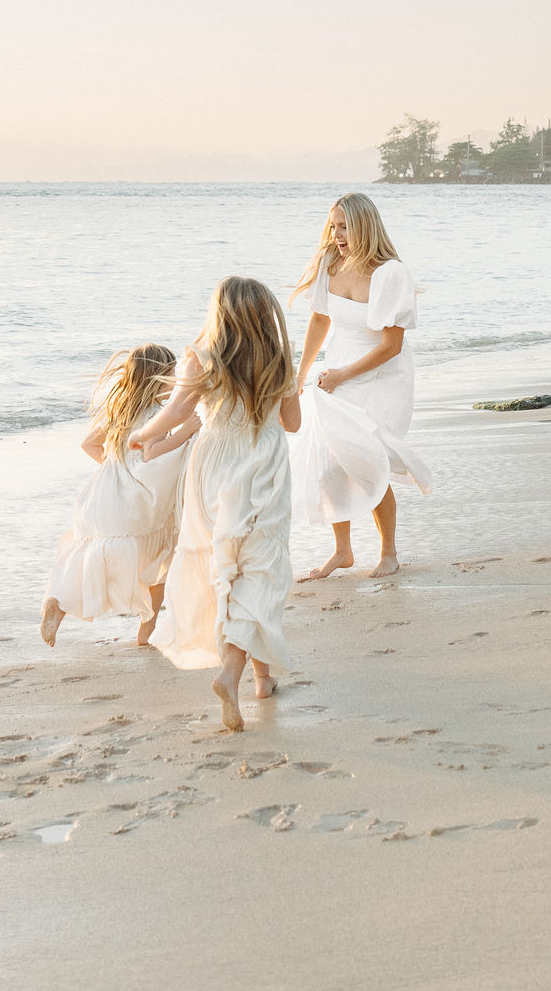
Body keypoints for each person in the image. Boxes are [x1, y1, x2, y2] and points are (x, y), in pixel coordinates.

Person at [132, 277, 301, 733]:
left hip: (211, 468)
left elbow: (178, 414)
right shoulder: (279, 358)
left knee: (222, 567)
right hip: (261, 466)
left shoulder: (200, 359)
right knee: (260, 570)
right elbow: (293, 423)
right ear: (267, 315)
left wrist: (144, 435)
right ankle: (232, 675)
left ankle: (261, 681)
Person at [289, 192, 432, 578]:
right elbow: (319, 320)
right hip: (338, 363)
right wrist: (302, 374)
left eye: (345, 226)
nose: (336, 234)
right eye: (332, 226)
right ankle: (343, 551)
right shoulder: (329, 264)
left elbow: (391, 346)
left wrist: (340, 376)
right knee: (329, 460)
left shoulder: (391, 274)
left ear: (365, 226)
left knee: (366, 458)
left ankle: (388, 552)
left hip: (381, 374)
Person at [40, 344, 198, 650]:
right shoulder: (157, 413)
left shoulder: (121, 409)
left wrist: (118, 466)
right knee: (161, 563)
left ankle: (57, 606)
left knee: (89, 558)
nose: (177, 379)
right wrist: (186, 431)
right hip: (140, 503)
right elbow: (151, 453)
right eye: (172, 374)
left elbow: (89, 444)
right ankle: (145, 634)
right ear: (157, 378)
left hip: (105, 497)